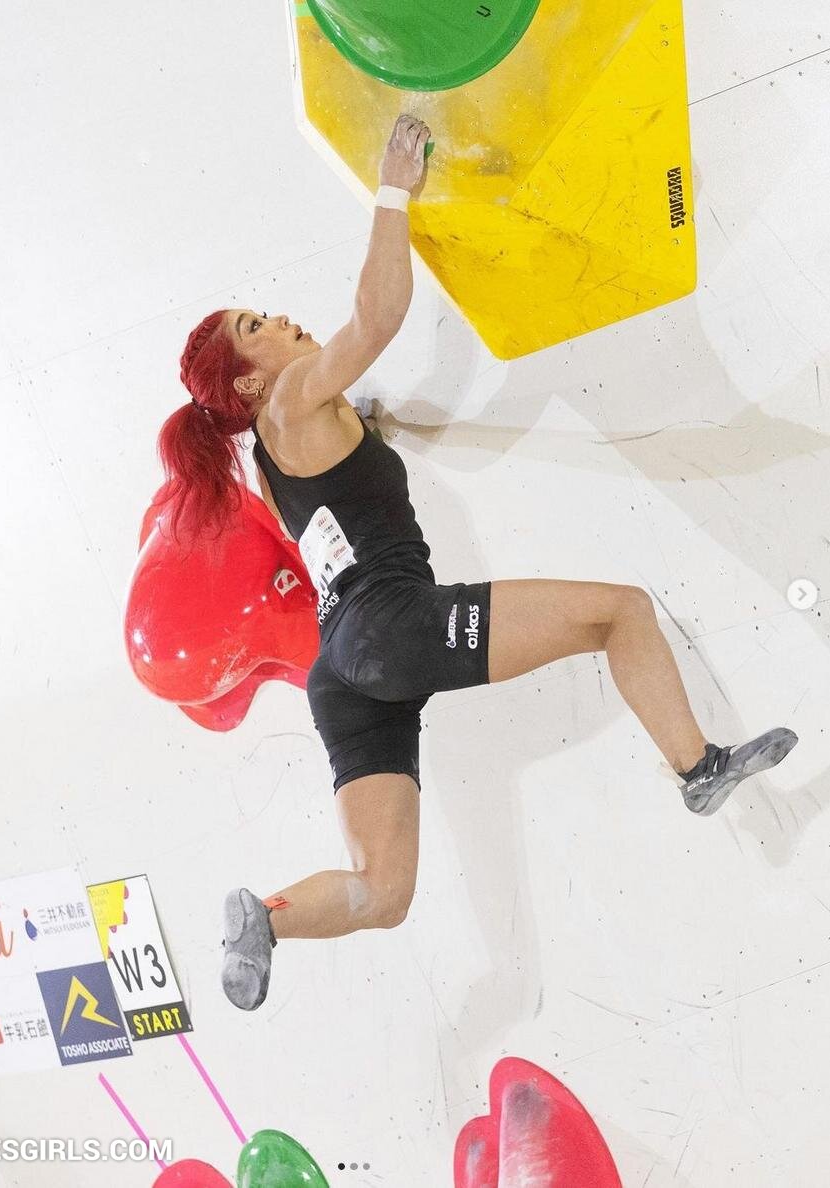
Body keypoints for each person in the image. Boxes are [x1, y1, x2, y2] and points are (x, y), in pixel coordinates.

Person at [155, 115, 798, 1012]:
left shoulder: (267, 459)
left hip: (341, 671)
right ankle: (697, 770)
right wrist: (395, 190)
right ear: (248, 382)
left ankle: (266, 919)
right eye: (255, 326)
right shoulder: (293, 398)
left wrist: (369, 420)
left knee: (383, 893)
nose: (280, 319)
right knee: (619, 611)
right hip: (387, 625)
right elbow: (376, 318)